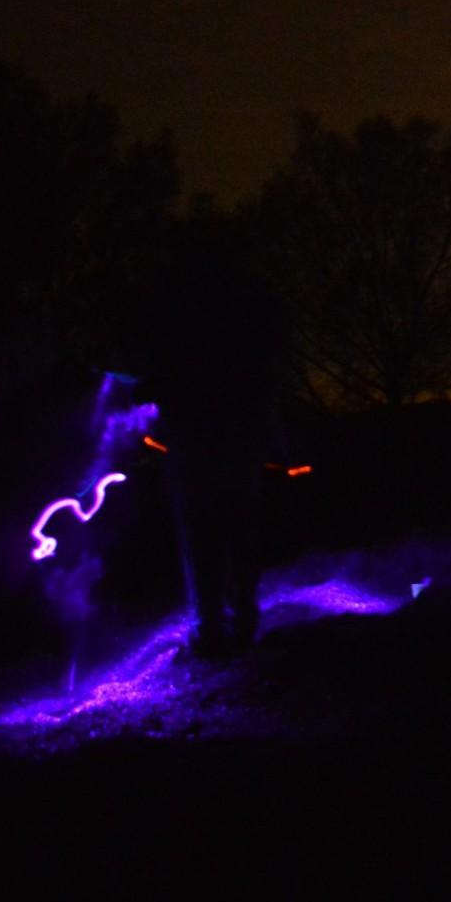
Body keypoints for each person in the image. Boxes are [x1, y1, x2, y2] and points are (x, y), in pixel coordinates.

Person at [144, 253, 286, 658]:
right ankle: (239, 622)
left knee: (205, 533)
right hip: (235, 441)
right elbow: (265, 385)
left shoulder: (181, 329)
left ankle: (212, 629)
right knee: (237, 529)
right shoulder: (248, 330)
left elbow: (160, 382)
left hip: (198, 444)